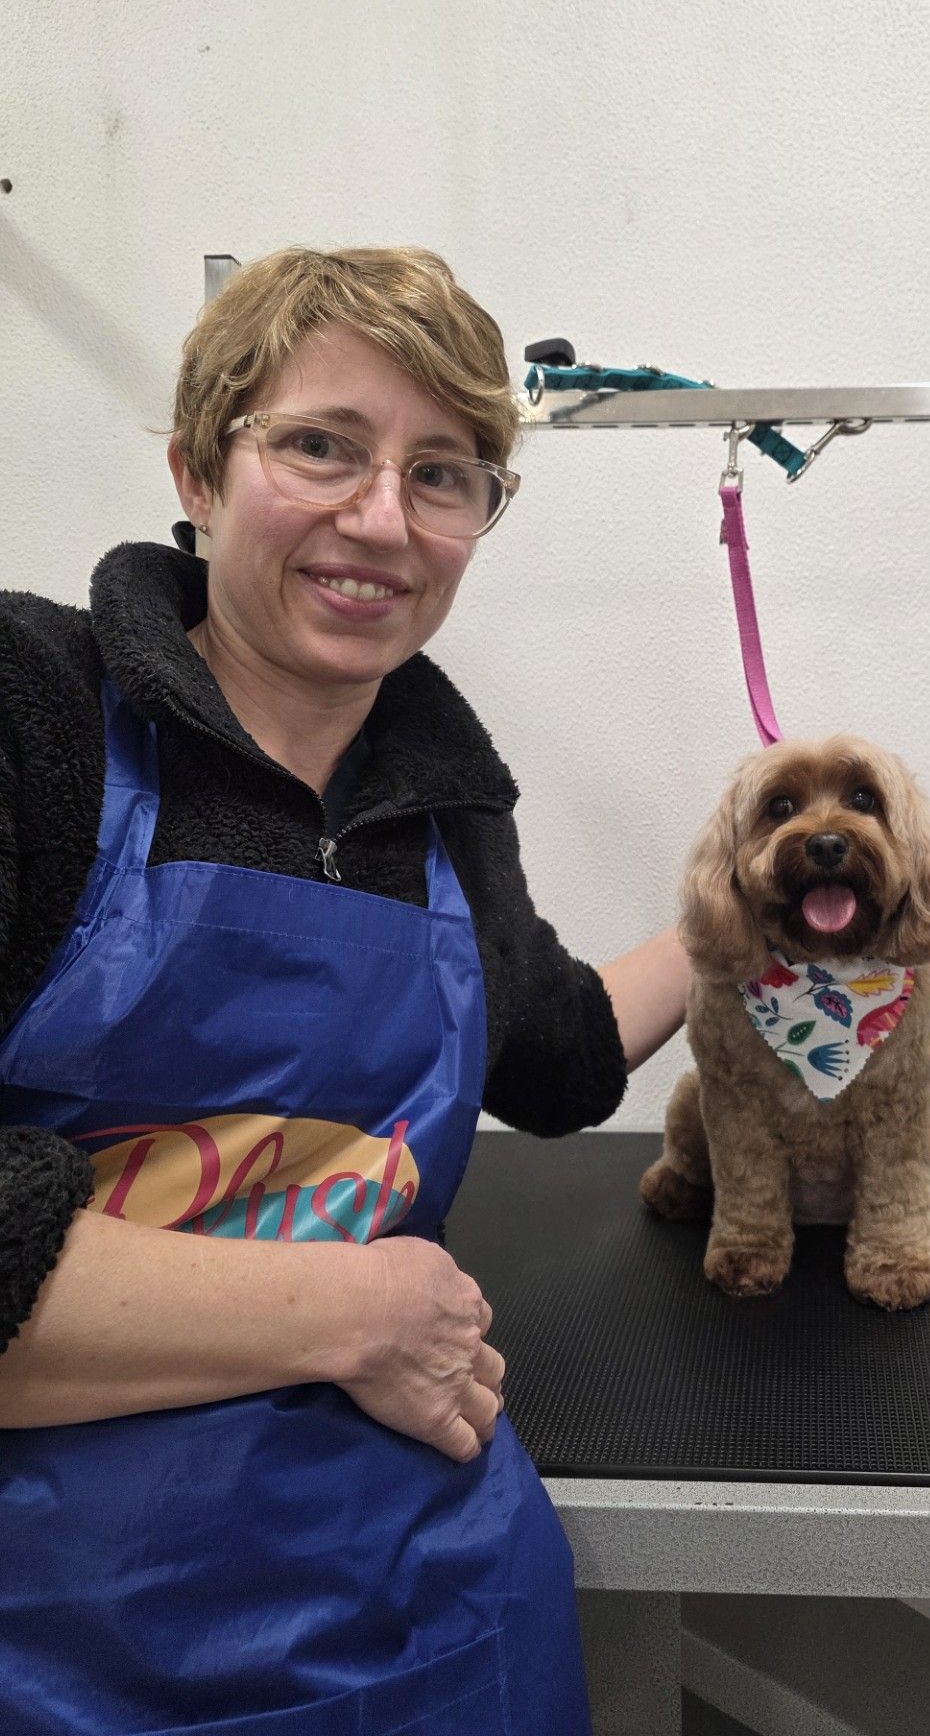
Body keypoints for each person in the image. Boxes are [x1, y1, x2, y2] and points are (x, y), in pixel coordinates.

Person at [0, 245, 692, 1735]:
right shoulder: (29, 713)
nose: (383, 520)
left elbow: (556, 1054)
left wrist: (731, 929)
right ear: (197, 467)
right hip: (52, 1630)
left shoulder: (437, 798)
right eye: (323, 445)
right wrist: (343, 1309)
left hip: (424, 1622)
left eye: (446, 475)